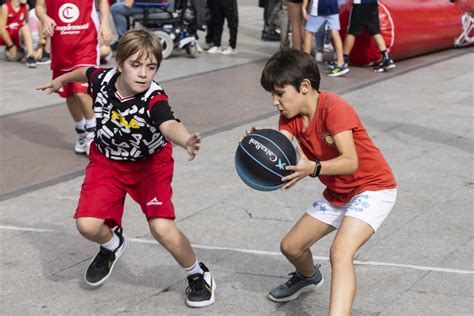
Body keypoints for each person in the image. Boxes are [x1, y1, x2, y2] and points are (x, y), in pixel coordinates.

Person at [37, 28, 216, 308]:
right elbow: (84, 72)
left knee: (161, 228)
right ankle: (112, 244)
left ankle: (197, 274)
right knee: (87, 226)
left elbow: (168, 122)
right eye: (136, 65)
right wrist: (60, 79)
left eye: (151, 66)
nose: (144, 73)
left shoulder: (154, 98)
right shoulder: (103, 78)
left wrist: (185, 140)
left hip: (149, 165)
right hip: (107, 161)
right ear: (119, 64)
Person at [253, 49, 396, 314]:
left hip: (373, 187)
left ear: (304, 86)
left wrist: (313, 168)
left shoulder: (334, 107)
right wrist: (258, 143)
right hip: (338, 191)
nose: (274, 101)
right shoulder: (289, 116)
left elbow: (350, 161)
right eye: (272, 95)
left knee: (340, 252)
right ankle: (308, 277)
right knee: (291, 247)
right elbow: (282, 145)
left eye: (279, 93)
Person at [35, 0, 113, 154]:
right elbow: (39, 6)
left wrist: (105, 24)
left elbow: (103, 2)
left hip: (86, 42)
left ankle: (93, 133)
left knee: (80, 91)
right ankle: (81, 131)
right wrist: (44, 18)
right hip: (61, 45)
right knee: (69, 94)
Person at [342, 0, 395, 73]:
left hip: (360, 4)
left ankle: (343, 60)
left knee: (352, 31)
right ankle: (386, 58)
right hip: (372, 3)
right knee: (375, 32)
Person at [302, 0, 348, 77]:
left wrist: (304, 6)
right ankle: (340, 63)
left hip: (319, 6)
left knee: (308, 32)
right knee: (335, 32)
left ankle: (305, 64)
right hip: (333, 5)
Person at [0, 0, 37, 67]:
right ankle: (19, 50)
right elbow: (2, 29)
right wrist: (11, 45)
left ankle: (30, 55)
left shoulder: (26, 6)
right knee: (13, 57)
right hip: (8, 35)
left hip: (18, 34)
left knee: (25, 27)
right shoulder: (5, 7)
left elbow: (25, 22)